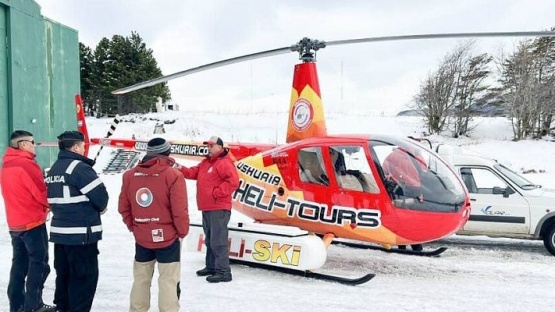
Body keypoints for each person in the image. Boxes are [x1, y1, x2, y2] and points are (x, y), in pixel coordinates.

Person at [118, 138, 190, 312]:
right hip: (167, 237)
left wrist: (135, 227)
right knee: (168, 281)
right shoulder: (173, 175)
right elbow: (179, 210)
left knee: (141, 279)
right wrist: (182, 232)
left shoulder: (130, 175)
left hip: (142, 236)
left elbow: (123, 207)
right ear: (166, 153)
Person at [45, 131, 109, 312]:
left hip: (61, 235)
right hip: (81, 236)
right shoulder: (79, 168)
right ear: (75, 147)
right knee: (83, 280)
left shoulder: (55, 168)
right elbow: (101, 197)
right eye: (82, 146)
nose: (83, 149)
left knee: (64, 277)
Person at [1, 130, 55, 312]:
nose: (35, 145)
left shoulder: (7, 165)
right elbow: (41, 193)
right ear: (23, 144)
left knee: (19, 265)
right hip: (32, 222)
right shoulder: (27, 165)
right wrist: (51, 206)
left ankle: (16, 305)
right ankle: (34, 305)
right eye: (32, 142)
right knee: (39, 264)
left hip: (15, 223)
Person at [177, 136, 239, 283]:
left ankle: (224, 272)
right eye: (208, 146)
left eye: (211, 146)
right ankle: (211, 267)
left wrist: (216, 193)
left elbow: (234, 182)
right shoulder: (206, 162)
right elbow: (192, 173)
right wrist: (179, 168)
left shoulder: (224, 163)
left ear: (220, 147)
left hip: (219, 207)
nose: (209, 148)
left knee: (218, 240)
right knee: (210, 239)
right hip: (208, 207)